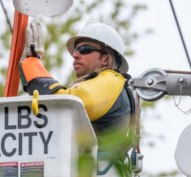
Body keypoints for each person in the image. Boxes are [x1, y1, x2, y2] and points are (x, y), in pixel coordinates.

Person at [20, 20, 134, 156]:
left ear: (105, 59)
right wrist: (25, 66)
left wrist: (32, 62)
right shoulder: (106, 88)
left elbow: (66, 104)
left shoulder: (112, 81)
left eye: (85, 49)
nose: (75, 55)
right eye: (76, 50)